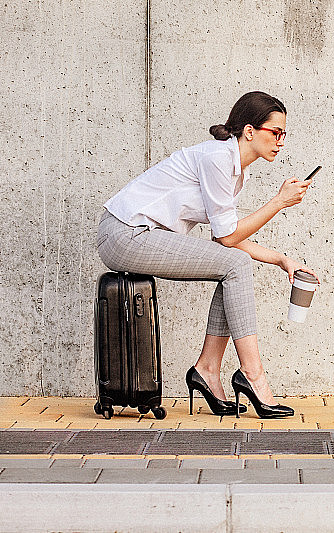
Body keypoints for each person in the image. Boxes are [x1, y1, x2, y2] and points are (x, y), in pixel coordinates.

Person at [96, 91, 319, 418]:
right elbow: (229, 238)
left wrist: (282, 259)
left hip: (136, 234)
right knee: (236, 265)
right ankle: (253, 376)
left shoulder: (232, 169)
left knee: (232, 268)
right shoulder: (217, 158)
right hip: (124, 233)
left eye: (284, 134)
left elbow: (225, 238)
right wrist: (278, 202)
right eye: (275, 132)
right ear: (249, 131)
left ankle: (208, 369)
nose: (281, 141)